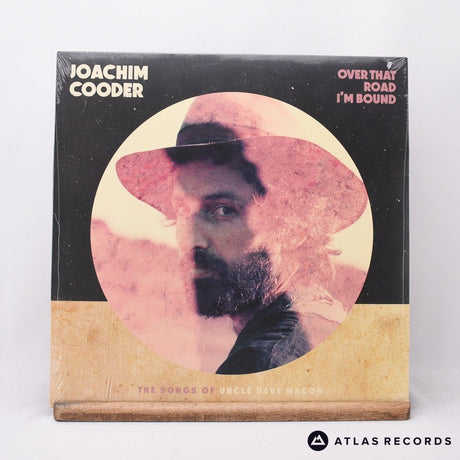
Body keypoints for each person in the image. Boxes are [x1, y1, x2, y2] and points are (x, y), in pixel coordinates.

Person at [116, 92, 368, 374]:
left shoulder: (264, 360)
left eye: (223, 210)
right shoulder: (317, 326)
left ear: (293, 227)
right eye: (182, 210)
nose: (190, 240)